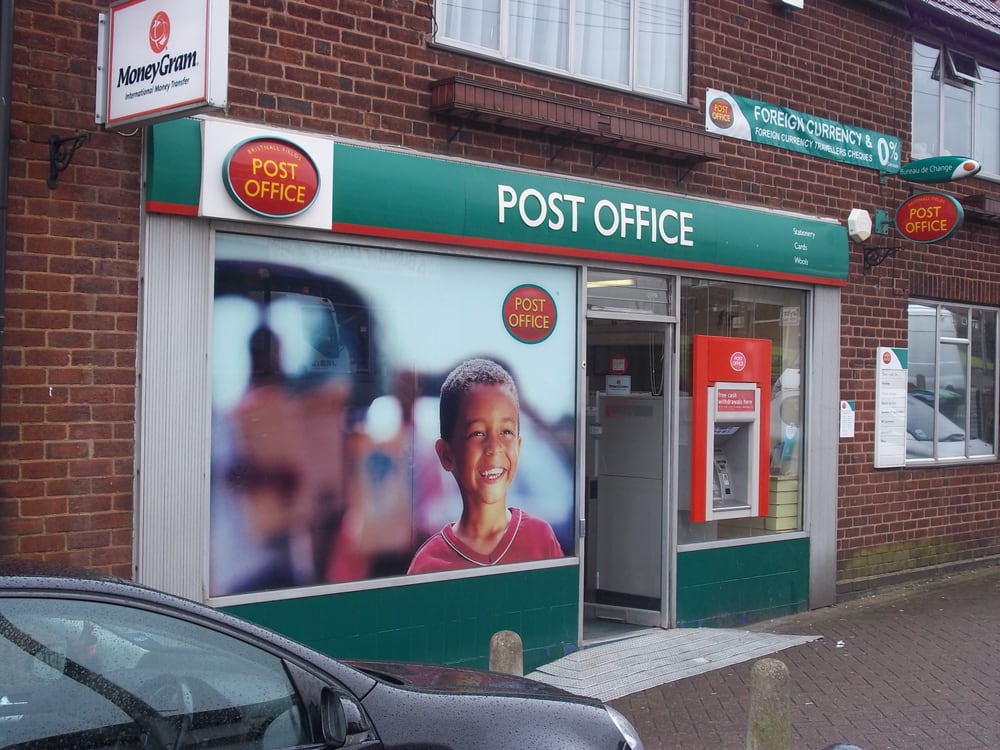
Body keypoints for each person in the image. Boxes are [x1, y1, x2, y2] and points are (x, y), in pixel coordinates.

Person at [407, 358, 563, 574]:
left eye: (506, 432)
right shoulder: (428, 564)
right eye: (477, 433)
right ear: (446, 455)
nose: (494, 447)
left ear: (519, 446)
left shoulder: (541, 538)